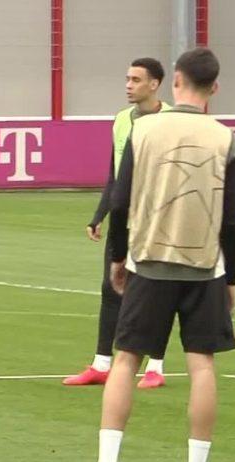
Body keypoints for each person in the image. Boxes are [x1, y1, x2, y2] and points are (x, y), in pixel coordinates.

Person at [74, 48, 235, 462]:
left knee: (126, 360)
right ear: (215, 87)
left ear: (176, 82)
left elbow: (121, 200)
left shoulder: (143, 130)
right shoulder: (227, 139)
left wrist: (117, 258)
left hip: (149, 262)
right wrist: (231, 277)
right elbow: (232, 219)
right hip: (204, 267)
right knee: (202, 366)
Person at [64, 58, 171, 389]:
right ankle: (101, 363)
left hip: (157, 219)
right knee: (111, 288)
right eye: (127, 79)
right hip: (124, 217)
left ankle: (155, 366)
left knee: (156, 292)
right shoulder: (122, 119)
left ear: (154, 84)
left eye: (136, 80)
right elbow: (115, 172)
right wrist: (100, 214)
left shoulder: (171, 120)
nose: (128, 85)